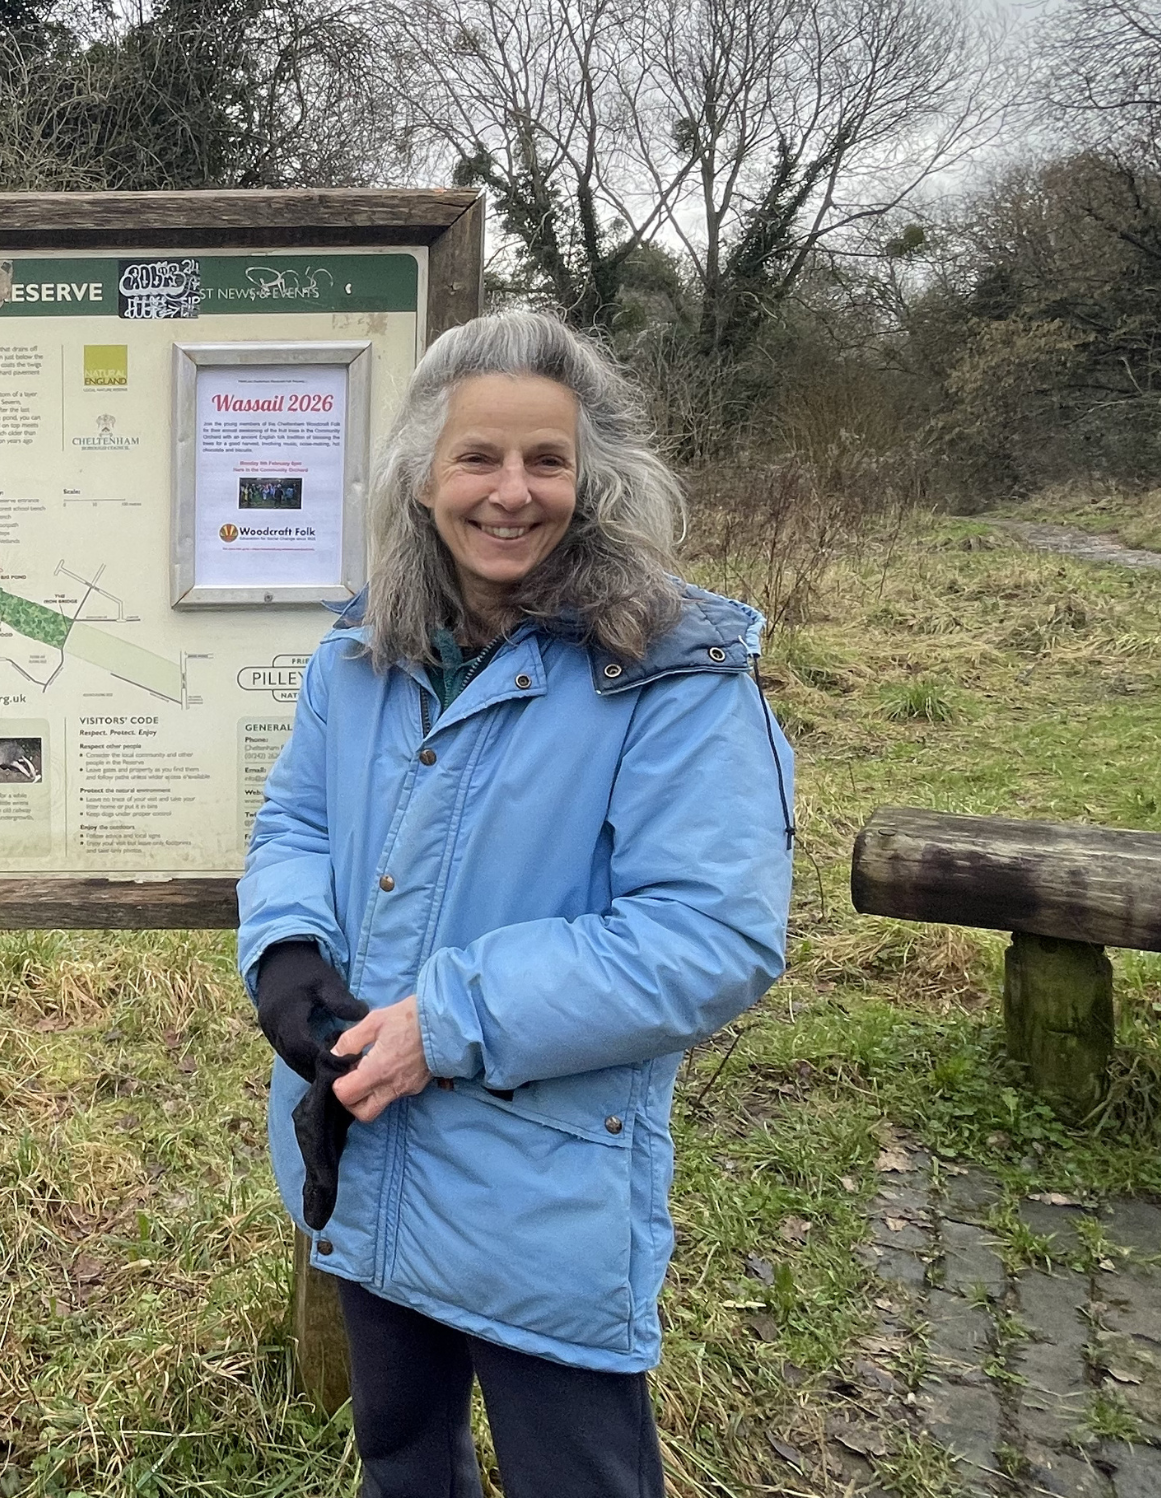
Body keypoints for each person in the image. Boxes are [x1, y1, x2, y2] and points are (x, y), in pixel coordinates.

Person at [238, 309, 795, 1498]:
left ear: (593, 477)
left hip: (541, 1188)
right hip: (364, 1152)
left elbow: (710, 933)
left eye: (546, 458)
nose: (511, 490)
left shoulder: (671, 674)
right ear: (421, 477)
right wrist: (285, 951)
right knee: (399, 1459)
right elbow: (296, 823)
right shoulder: (360, 656)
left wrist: (446, 1022)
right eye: (477, 457)